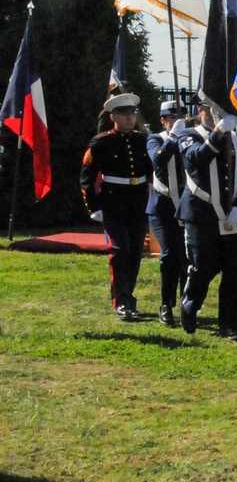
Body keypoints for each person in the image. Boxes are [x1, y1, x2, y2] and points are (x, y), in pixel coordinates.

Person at [176, 101, 237, 339]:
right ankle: (190, 306)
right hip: (202, 215)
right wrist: (219, 132)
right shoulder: (188, 135)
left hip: (232, 217)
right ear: (201, 111)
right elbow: (197, 159)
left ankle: (230, 323)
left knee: (233, 271)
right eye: (212, 109)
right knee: (202, 267)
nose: (218, 114)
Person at [81, 93, 153, 321]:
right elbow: (87, 176)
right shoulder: (101, 142)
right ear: (113, 117)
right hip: (114, 203)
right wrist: (93, 206)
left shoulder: (142, 139)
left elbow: (151, 171)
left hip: (138, 202)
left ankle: (128, 296)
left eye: (132, 113)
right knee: (119, 251)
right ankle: (121, 301)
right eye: (124, 114)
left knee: (134, 253)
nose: (129, 118)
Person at [145, 100, 188, 326]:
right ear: (163, 120)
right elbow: (158, 160)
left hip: (186, 207)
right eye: (173, 118)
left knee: (187, 258)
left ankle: (186, 304)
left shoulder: (188, 140)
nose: (178, 121)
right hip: (162, 208)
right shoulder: (156, 139)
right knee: (170, 255)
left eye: (181, 117)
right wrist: (173, 138)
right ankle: (166, 304)